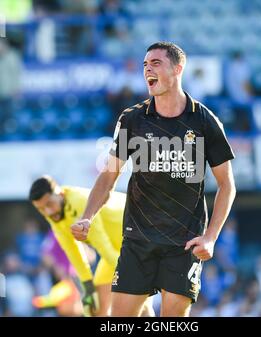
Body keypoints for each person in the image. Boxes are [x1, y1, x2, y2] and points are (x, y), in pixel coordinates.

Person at [72, 41, 236, 317]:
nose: (147, 69)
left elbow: (227, 184)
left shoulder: (205, 122)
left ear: (178, 68)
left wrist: (210, 237)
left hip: (184, 243)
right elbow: (109, 174)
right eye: (145, 65)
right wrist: (88, 215)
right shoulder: (132, 119)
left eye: (156, 63)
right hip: (138, 240)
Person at [29, 175, 154, 317]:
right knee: (97, 309)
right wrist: (87, 287)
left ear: (60, 194)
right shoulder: (54, 214)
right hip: (116, 251)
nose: (48, 212)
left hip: (137, 240)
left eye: (49, 204)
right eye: (41, 209)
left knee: (135, 304)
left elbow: (102, 245)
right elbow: (72, 251)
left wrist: (128, 274)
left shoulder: (79, 202)